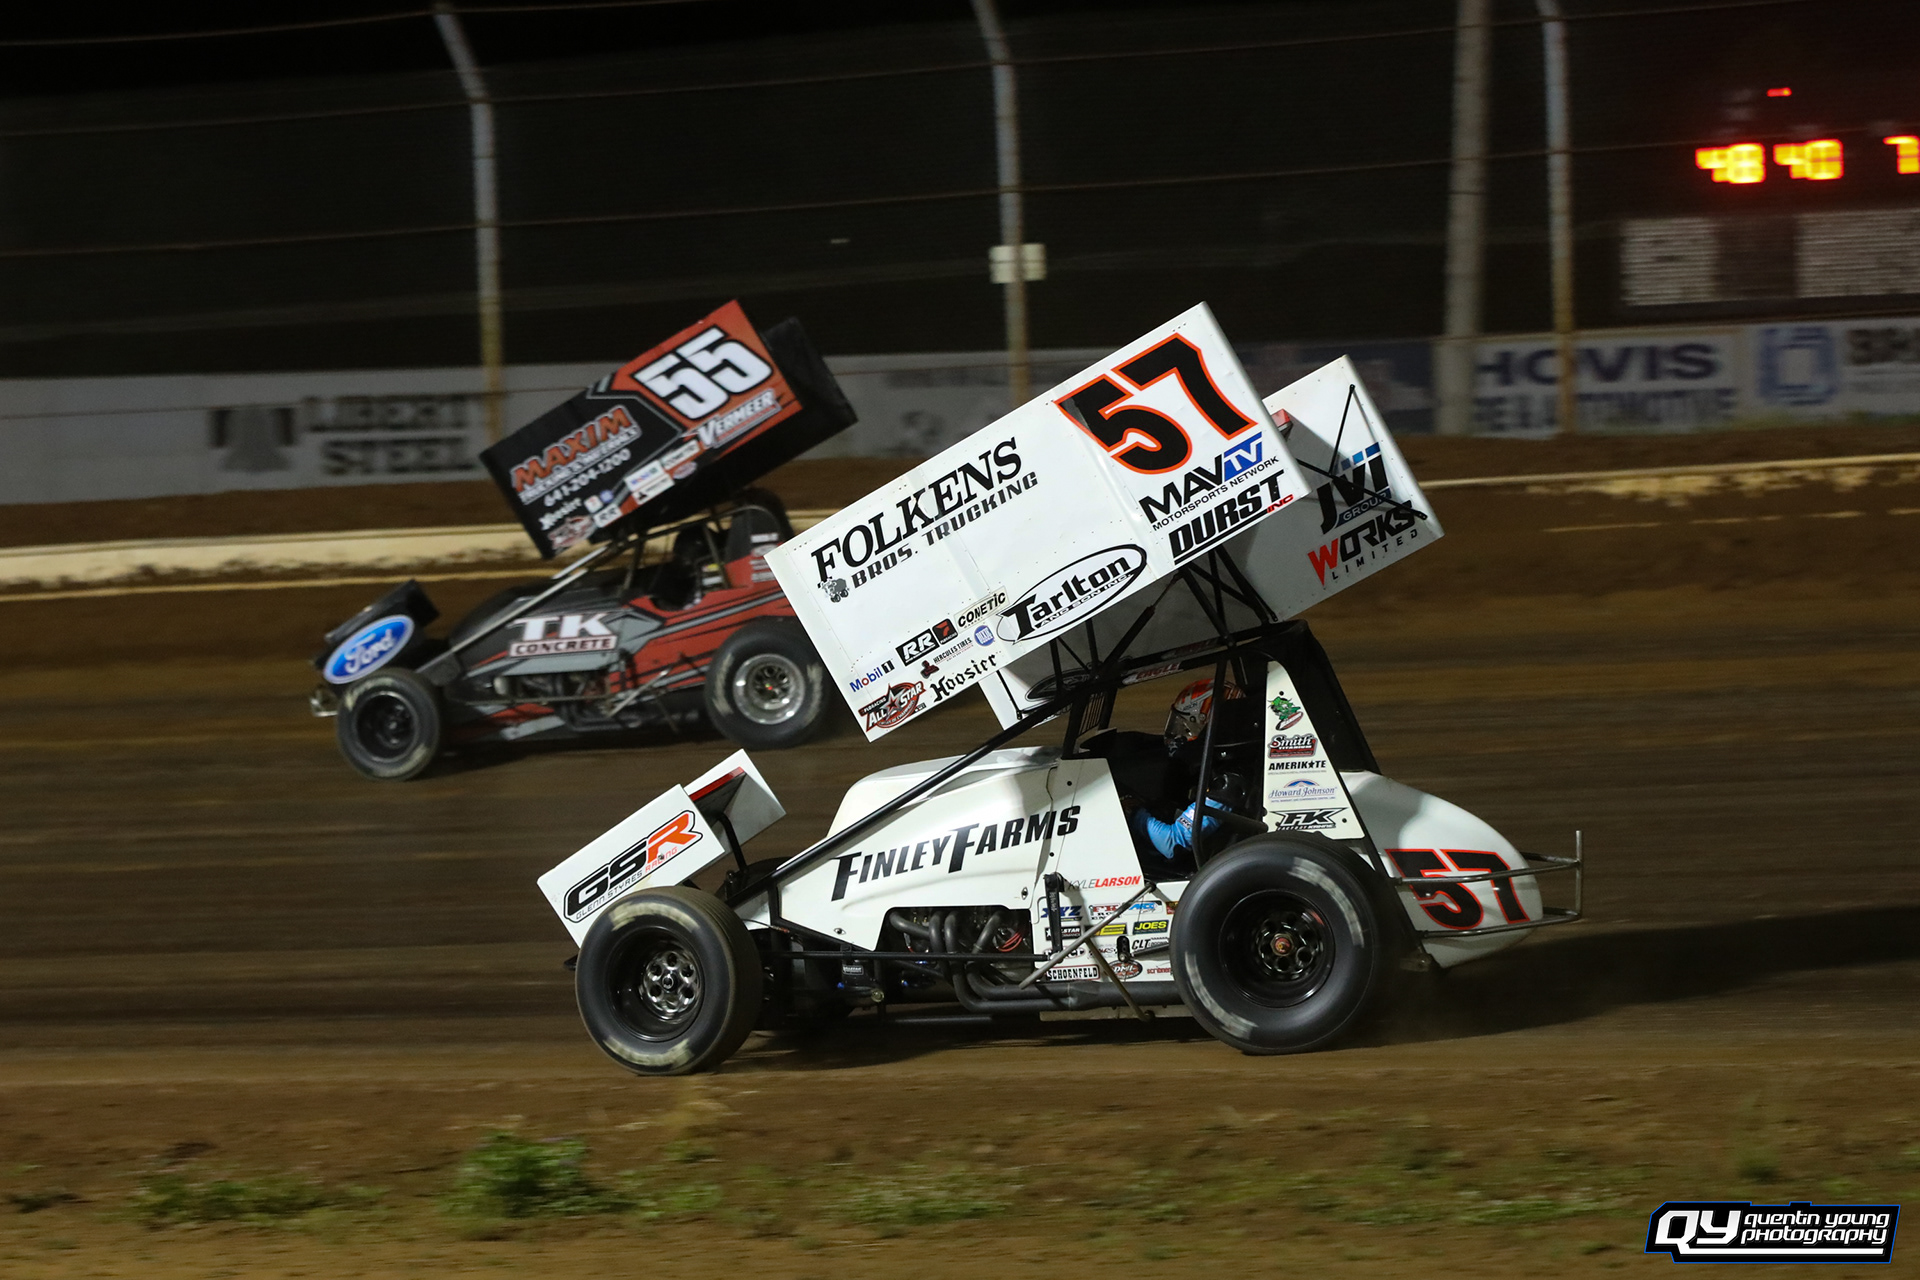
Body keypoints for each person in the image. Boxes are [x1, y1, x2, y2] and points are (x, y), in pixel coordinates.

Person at [1124, 676, 1245, 864]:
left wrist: (1134, 813)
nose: (1182, 736)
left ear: (1207, 723)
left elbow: (1172, 843)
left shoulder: (1228, 781)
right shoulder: (1223, 767)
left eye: (1187, 727)